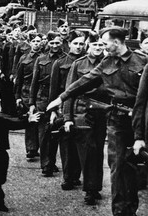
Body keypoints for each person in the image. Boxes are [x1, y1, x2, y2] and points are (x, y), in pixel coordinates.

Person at [46, 27, 148, 216]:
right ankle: (120, 212)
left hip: (141, 119)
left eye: (105, 43)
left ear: (116, 43)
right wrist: (62, 98)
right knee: (117, 167)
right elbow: (85, 80)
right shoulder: (106, 62)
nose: (102, 46)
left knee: (136, 168)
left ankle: (131, 208)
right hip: (117, 119)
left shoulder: (143, 61)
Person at [62, 31, 108, 205]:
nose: (98, 48)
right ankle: (90, 189)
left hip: (102, 112)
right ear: (88, 46)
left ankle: (95, 187)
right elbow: (70, 91)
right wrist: (67, 117)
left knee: (97, 152)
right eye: (95, 45)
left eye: (101, 45)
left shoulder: (109, 63)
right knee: (88, 150)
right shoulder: (78, 64)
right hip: (82, 111)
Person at [49, 30, 85, 189]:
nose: (78, 46)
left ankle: (76, 175)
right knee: (66, 143)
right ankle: (68, 177)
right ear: (69, 44)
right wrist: (53, 109)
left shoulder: (88, 61)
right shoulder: (60, 62)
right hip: (65, 105)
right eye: (75, 43)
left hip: (82, 107)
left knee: (80, 142)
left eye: (81, 44)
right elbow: (54, 88)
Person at [29, 31, 65, 176]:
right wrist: (32, 102)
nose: (55, 46)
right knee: (44, 133)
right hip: (43, 99)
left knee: (56, 133)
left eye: (57, 42)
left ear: (61, 42)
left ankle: (52, 161)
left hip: (60, 98)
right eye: (52, 43)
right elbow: (34, 82)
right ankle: (46, 164)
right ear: (47, 43)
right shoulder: (41, 59)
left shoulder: (66, 59)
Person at [15, 33, 43, 159]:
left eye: (39, 41)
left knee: (41, 121)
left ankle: (40, 147)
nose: (37, 43)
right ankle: (31, 148)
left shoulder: (44, 58)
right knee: (31, 121)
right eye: (34, 41)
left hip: (40, 94)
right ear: (30, 43)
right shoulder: (24, 58)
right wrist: (17, 96)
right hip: (26, 92)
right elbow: (18, 78)